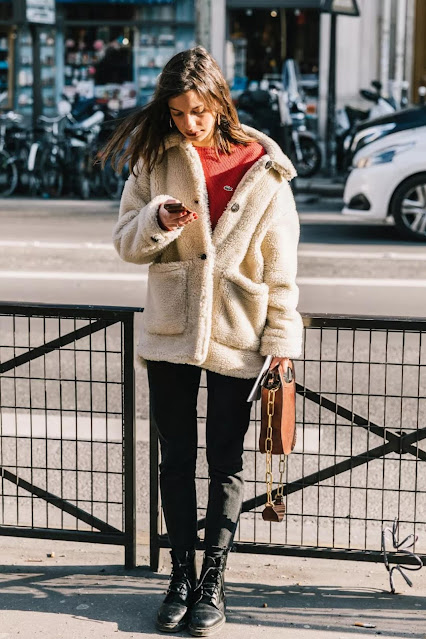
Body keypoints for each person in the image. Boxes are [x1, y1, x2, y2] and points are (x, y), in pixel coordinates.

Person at [103, 46, 303, 637]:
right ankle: (180, 577)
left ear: (219, 99)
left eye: (199, 110)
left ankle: (214, 581)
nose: (190, 123)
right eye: (178, 113)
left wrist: (281, 339)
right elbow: (124, 242)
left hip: (238, 335)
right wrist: (156, 222)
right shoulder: (154, 158)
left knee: (226, 462)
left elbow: (281, 270)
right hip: (170, 328)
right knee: (175, 460)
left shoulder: (266, 168)